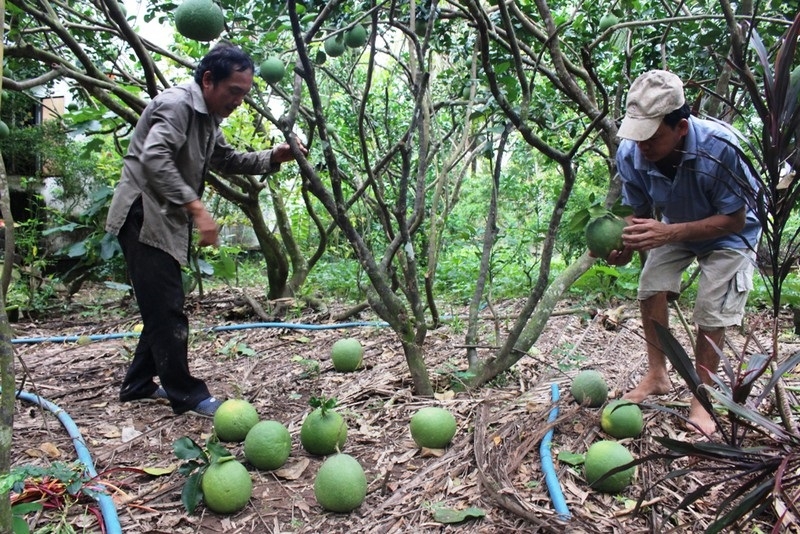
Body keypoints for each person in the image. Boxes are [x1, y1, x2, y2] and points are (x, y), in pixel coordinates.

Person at [105, 42, 306, 417]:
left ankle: (136, 384)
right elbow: (154, 158)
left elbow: (226, 160)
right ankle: (187, 394)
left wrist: (273, 156)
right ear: (209, 80)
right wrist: (197, 208)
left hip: (164, 217)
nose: (239, 103)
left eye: (245, 95)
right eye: (234, 92)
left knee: (161, 303)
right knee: (167, 306)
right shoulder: (177, 104)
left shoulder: (209, 118)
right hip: (144, 214)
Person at [606, 69, 761, 435]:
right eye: (637, 136)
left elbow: (734, 220)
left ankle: (702, 397)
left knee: (711, 308)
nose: (642, 145)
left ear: (681, 127)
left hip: (729, 231)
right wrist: (626, 249)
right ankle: (658, 374)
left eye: (652, 137)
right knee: (651, 285)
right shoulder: (632, 152)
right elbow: (639, 215)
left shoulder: (721, 148)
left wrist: (668, 231)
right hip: (675, 224)